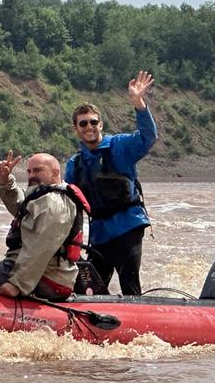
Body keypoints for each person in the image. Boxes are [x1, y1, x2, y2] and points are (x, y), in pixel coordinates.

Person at [64, 70, 158, 296]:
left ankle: (138, 323)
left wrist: (139, 103)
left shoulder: (121, 146)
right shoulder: (74, 165)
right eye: (83, 123)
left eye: (93, 122)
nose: (89, 127)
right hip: (99, 234)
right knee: (89, 289)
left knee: (129, 284)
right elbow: (67, 205)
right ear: (76, 129)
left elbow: (148, 136)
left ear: (101, 124)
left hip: (128, 227)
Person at [0, 151, 89, 301]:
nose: (32, 175)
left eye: (38, 170)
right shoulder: (45, 195)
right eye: (29, 171)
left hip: (48, 277)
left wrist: (17, 284)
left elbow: (41, 249)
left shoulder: (54, 205)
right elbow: (21, 206)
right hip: (42, 272)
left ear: (55, 172)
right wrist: (5, 180)